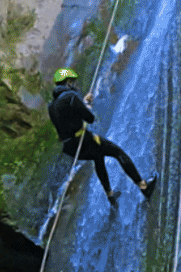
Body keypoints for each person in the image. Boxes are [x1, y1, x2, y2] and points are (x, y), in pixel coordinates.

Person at [48, 68, 156, 204]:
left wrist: (82, 104)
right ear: (68, 82)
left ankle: (110, 195)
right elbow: (90, 118)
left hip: (70, 147)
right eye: (73, 82)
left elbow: (66, 122)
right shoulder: (70, 96)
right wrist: (87, 104)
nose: (75, 84)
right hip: (83, 141)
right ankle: (143, 186)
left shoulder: (51, 106)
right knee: (117, 152)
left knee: (98, 157)